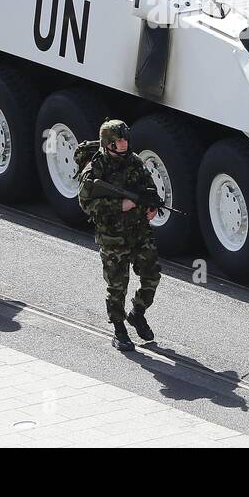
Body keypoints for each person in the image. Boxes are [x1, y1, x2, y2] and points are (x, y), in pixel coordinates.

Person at [76, 119, 162, 350]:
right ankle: (119, 329)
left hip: (139, 232)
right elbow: (85, 203)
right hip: (113, 236)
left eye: (125, 139)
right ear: (108, 143)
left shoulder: (135, 162)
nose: (123, 144)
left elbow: (147, 188)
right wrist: (119, 206)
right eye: (118, 140)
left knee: (152, 275)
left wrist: (150, 206)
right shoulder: (96, 168)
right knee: (117, 285)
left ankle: (137, 312)